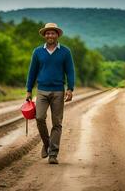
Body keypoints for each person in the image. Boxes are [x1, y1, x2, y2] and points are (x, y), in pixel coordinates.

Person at [26, 23, 75, 164]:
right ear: (44, 35)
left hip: (59, 91)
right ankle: (47, 144)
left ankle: (53, 154)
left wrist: (70, 88)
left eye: (52, 33)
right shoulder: (37, 52)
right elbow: (32, 72)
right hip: (41, 90)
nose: (50, 35)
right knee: (40, 118)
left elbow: (70, 71)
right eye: (47, 33)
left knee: (57, 123)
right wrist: (29, 90)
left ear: (57, 35)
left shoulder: (65, 52)